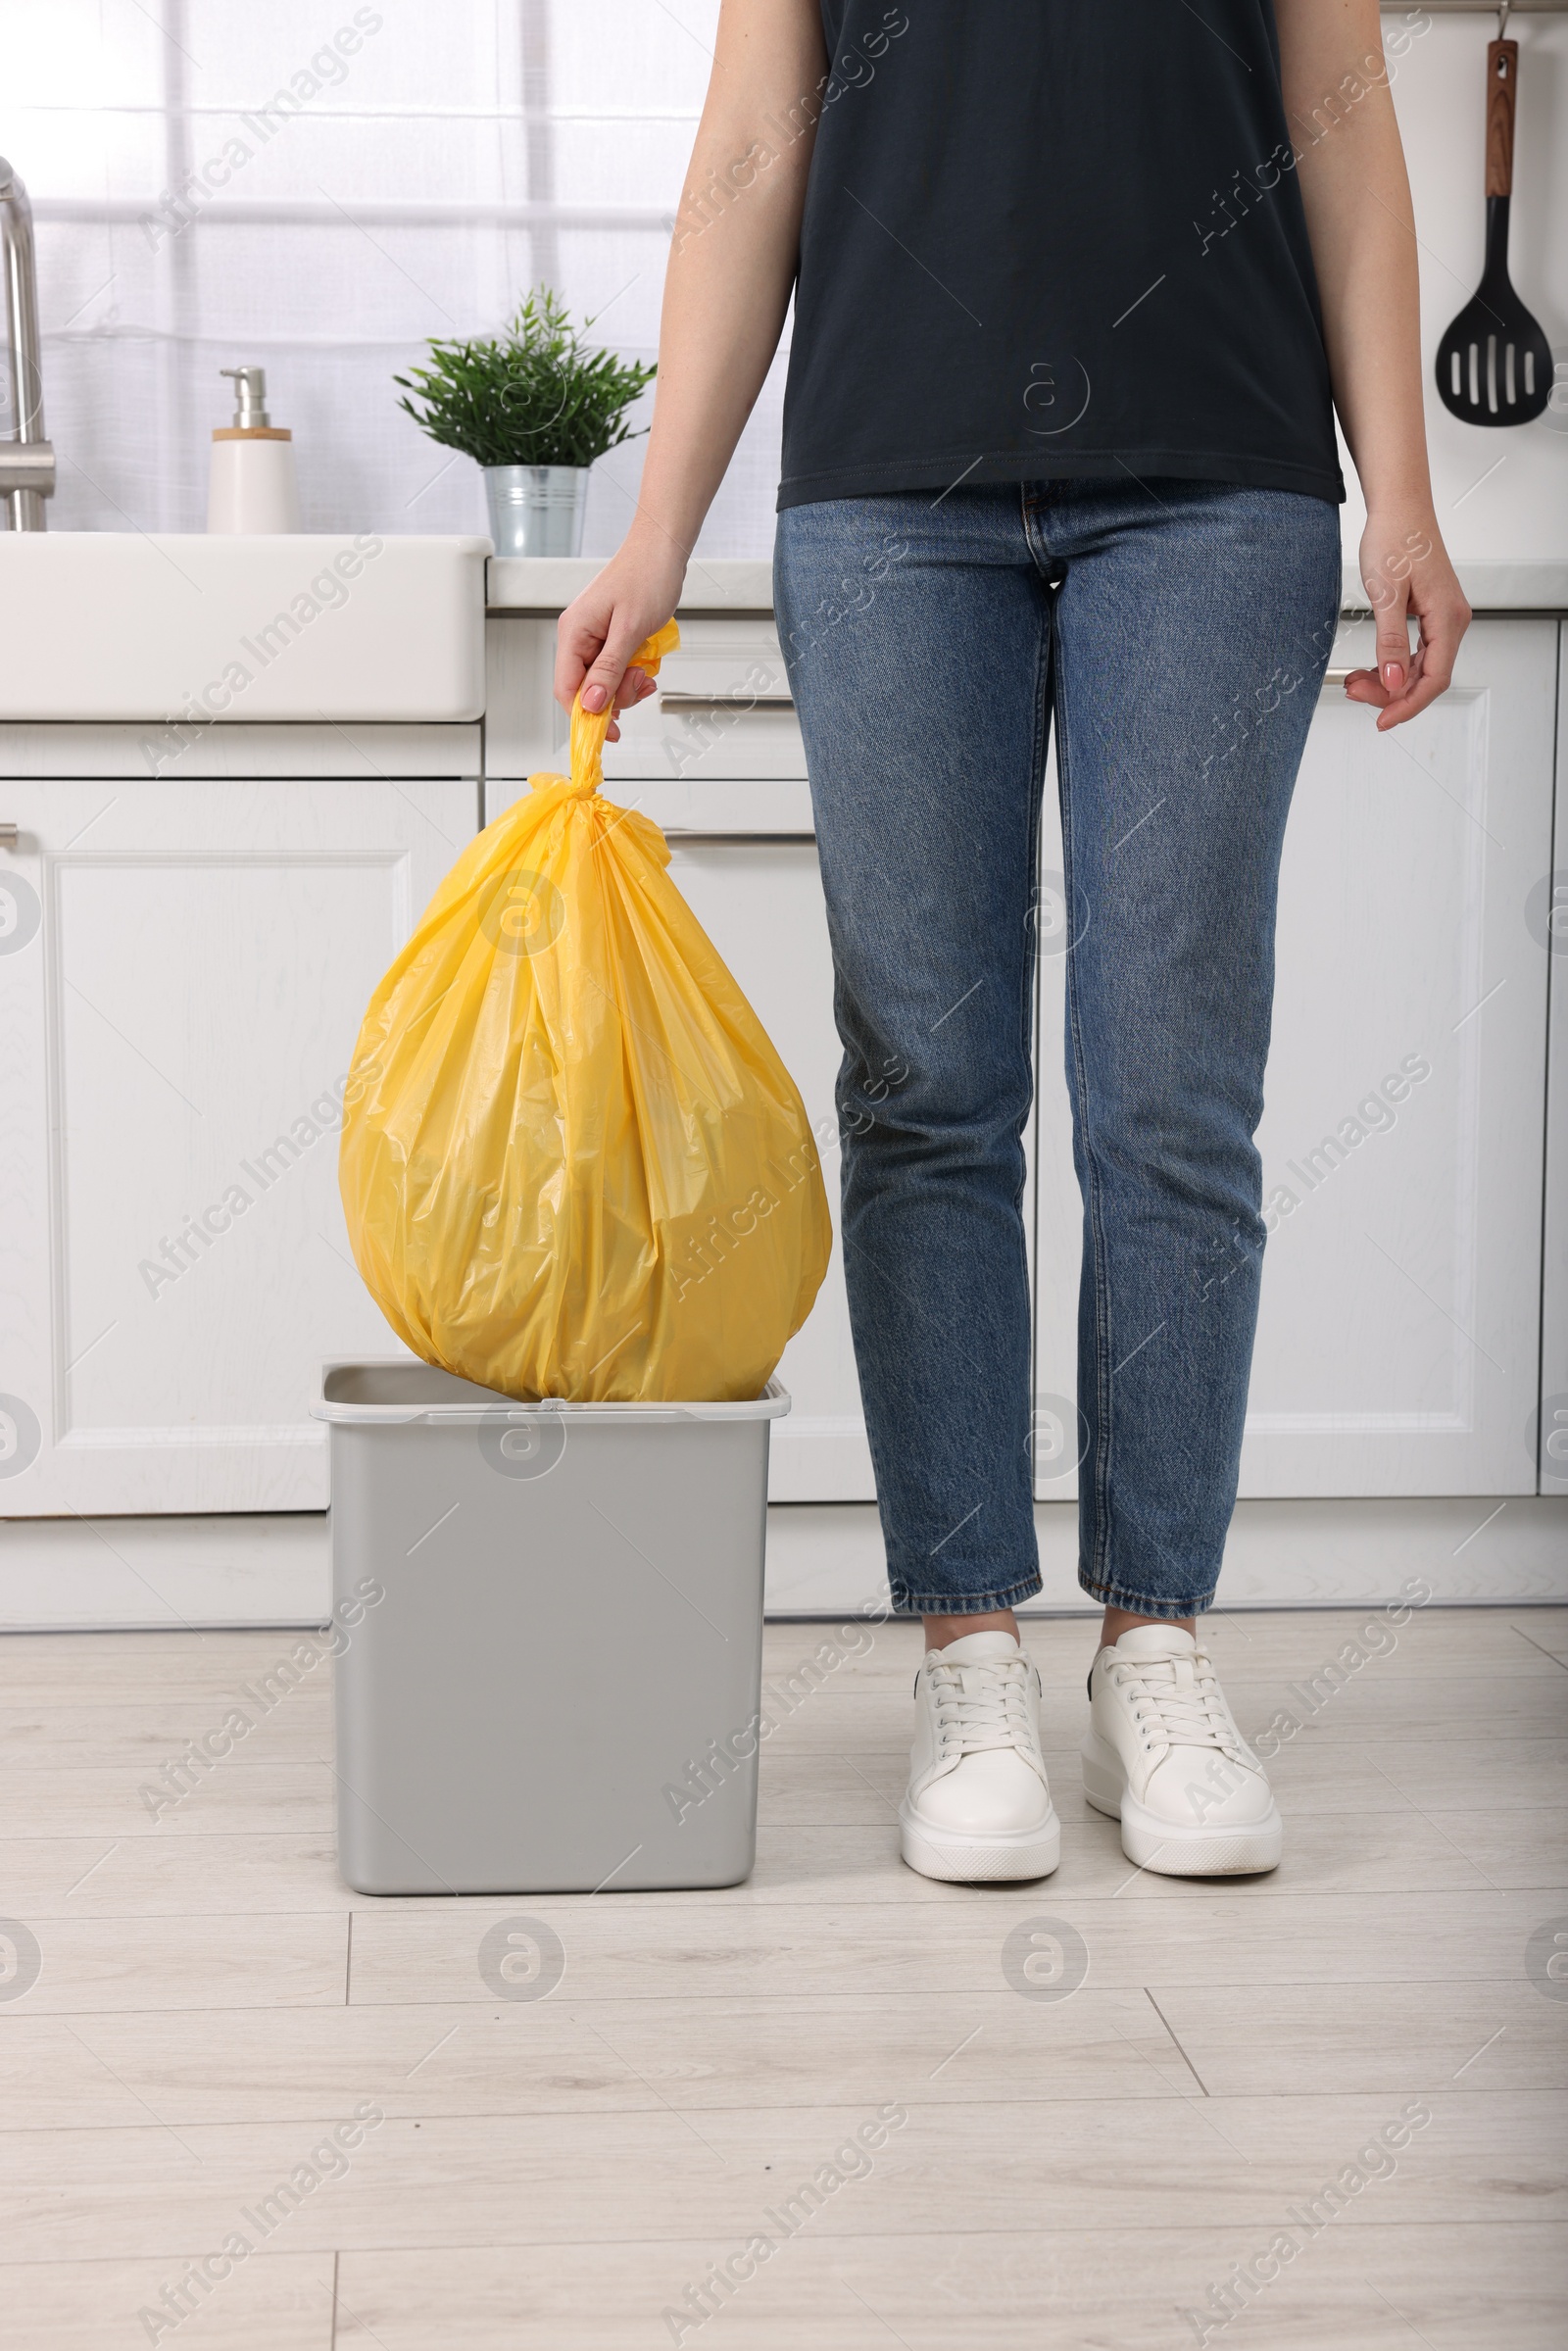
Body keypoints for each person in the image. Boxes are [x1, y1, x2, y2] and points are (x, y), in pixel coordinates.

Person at [555, 0, 1470, 1884]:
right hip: (891, 497)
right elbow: (751, 144)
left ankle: (1158, 1645)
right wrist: (660, 526)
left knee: (1173, 1094)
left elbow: (1342, 118)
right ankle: (969, 1646)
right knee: (926, 1092)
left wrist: (1408, 494)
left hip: (1223, 488)